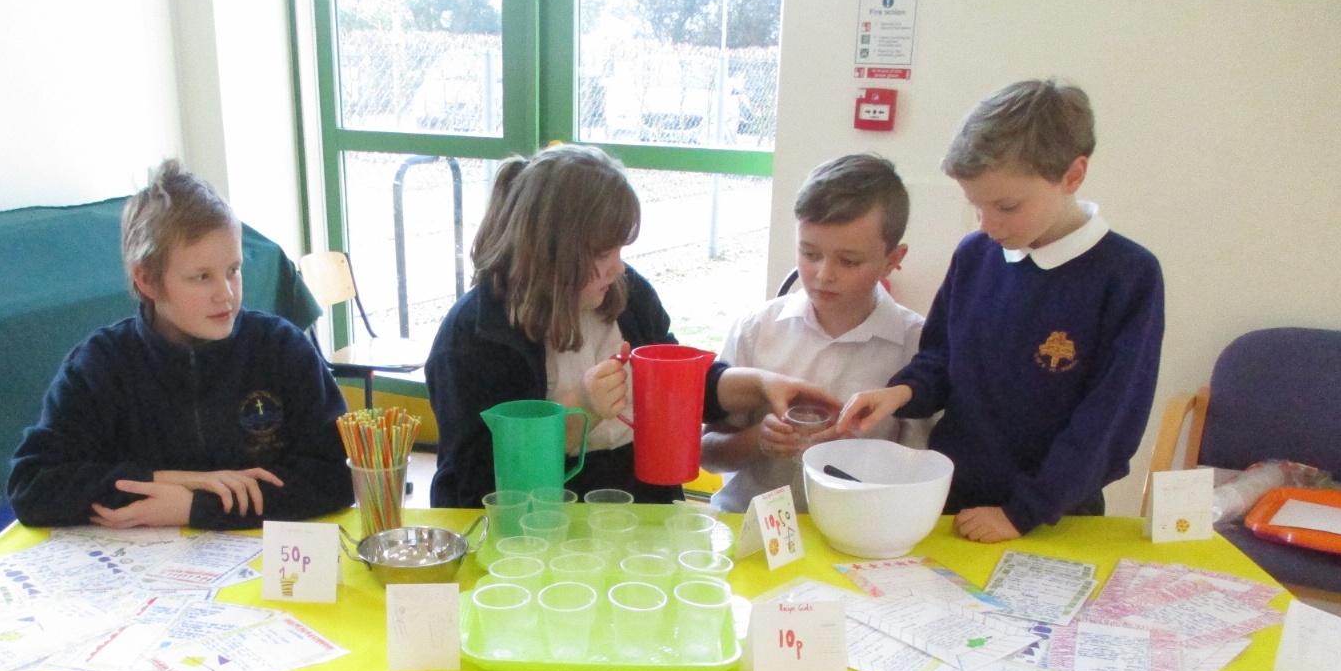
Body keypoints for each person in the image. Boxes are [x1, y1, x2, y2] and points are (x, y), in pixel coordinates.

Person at [838, 79, 1165, 542]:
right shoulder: (975, 255)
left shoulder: (1128, 276)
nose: (988, 225)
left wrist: (1021, 513)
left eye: (1007, 206)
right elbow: (942, 359)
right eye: (975, 206)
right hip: (953, 502)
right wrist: (902, 393)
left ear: (1072, 176)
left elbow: (1108, 424)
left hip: (1053, 516)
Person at [424, 144, 836, 508]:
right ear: (551, 254)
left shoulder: (625, 293)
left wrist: (764, 384)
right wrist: (581, 408)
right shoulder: (473, 338)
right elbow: (484, 490)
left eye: (620, 250)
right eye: (604, 254)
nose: (618, 268)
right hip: (535, 524)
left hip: (635, 504)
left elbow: (685, 383)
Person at [8, 161, 353, 530]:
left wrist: (196, 506)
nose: (226, 294)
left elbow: (336, 478)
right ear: (147, 280)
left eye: (233, 270)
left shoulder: (281, 348)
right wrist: (168, 480)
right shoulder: (99, 366)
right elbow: (32, 487)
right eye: (201, 277)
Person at [704, 153, 925, 514]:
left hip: (858, 533)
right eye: (809, 253)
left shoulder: (916, 346)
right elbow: (706, 453)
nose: (824, 275)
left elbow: (922, 475)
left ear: (892, 260)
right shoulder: (757, 329)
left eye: (849, 261)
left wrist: (859, 455)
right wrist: (759, 440)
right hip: (749, 525)